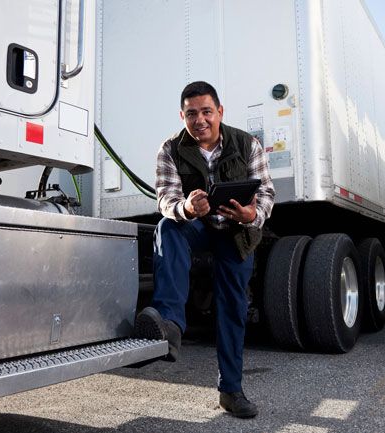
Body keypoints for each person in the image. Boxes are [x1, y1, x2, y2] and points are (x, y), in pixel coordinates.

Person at [135, 81, 275, 419]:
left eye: (207, 112)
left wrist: (251, 214)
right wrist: (185, 207)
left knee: (233, 307)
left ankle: (231, 390)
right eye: (192, 113)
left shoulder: (247, 144)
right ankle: (169, 324)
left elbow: (267, 193)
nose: (200, 120)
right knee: (167, 227)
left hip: (236, 232)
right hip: (196, 226)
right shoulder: (169, 148)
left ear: (220, 112)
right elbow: (165, 197)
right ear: (182, 116)